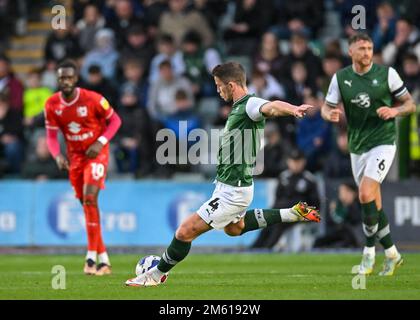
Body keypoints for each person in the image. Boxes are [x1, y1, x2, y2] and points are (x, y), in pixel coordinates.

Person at [125, 61, 321, 287]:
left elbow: (271, 106)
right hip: (229, 186)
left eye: (219, 86)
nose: (218, 90)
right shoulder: (238, 108)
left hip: (233, 191)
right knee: (233, 229)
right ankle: (292, 213)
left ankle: (156, 275)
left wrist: (293, 109)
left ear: (231, 84)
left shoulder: (249, 104)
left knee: (184, 231)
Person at [321, 33, 416, 276]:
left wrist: (395, 112)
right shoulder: (341, 78)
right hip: (357, 146)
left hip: (383, 142)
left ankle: (368, 254)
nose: (367, 52)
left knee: (364, 193)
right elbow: (326, 106)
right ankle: (393, 254)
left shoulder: (387, 74)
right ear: (350, 51)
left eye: (370, 48)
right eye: (361, 48)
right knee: (374, 203)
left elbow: (410, 104)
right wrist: (327, 114)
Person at [44, 60, 122, 276]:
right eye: (62, 78)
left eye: (69, 77)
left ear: (76, 79)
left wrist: (101, 142)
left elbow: (115, 121)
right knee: (86, 204)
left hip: (96, 154)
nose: (65, 81)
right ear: (58, 80)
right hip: (75, 158)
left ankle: (90, 256)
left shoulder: (93, 99)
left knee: (89, 198)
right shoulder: (52, 104)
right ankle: (104, 260)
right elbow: (51, 136)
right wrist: (57, 155)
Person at [251, 148, 320, 249]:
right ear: (288, 161)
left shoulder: (309, 180)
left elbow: (316, 204)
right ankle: (255, 248)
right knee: (268, 222)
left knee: (279, 223)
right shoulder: (283, 177)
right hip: (283, 211)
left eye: (298, 161)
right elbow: (277, 198)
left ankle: (267, 248)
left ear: (303, 162)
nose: (295, 164)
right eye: (293, 161)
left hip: (301, 214)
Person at [314, 182, 362, 249]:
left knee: (345, 240)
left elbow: (355, 221)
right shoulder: (338, 205)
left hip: (353, 235)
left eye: (343, 191)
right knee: (318, 241)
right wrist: (333, 212)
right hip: (339, 234)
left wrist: (347, 206)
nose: (340, 194)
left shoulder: (358, 204)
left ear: (351, 193)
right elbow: (331, 223)